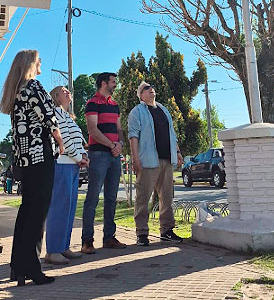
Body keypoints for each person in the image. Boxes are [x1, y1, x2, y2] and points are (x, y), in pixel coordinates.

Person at [1, 50, 64, 286]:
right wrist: (61, 143)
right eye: (39, 59)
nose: (41, 62)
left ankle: (17, 267)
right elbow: (49, 118)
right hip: (40, 157)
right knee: (37, 215)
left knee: (26, 213)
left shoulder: (16, 91)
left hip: (23, 160)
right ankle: (31, 268)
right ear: (30, 63)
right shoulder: (34, 87)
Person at [128, 82, 185, 246]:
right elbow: (133, 136)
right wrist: (135, 158)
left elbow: (171, 134)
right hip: (147, 160)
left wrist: (178, 152)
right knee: (142, 198)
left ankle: (166, 231)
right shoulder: (137, 112)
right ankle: (142, 233)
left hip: (167, 159)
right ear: (141, 95)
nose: (151, 89)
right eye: (146, 88)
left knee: (167, 198)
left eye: (152, 86)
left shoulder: (163, 110)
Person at [81, 72, 127, 253]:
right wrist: (111, 145)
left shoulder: (115, 105)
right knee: (92, 197)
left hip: (115, 156)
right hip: (98, 155)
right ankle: (87, 241)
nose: (116, 85)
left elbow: (119, 129)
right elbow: (92, 130)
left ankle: (109, 237)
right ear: (103, 83)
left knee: (111, 198)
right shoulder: (92, 103)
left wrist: (120, 144)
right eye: (113, 82)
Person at [44, 85, 88, 265]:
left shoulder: (68, 116)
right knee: (59, 208)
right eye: (63, 90)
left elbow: (78, 140)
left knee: (69, 209)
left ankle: (64, 246)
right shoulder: (55, 112)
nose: (68, 92)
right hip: (62, 164)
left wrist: (83, 156)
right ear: (55, 96)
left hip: (73, 165)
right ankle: (53, 250)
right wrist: (79, 158)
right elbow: (63, 139)